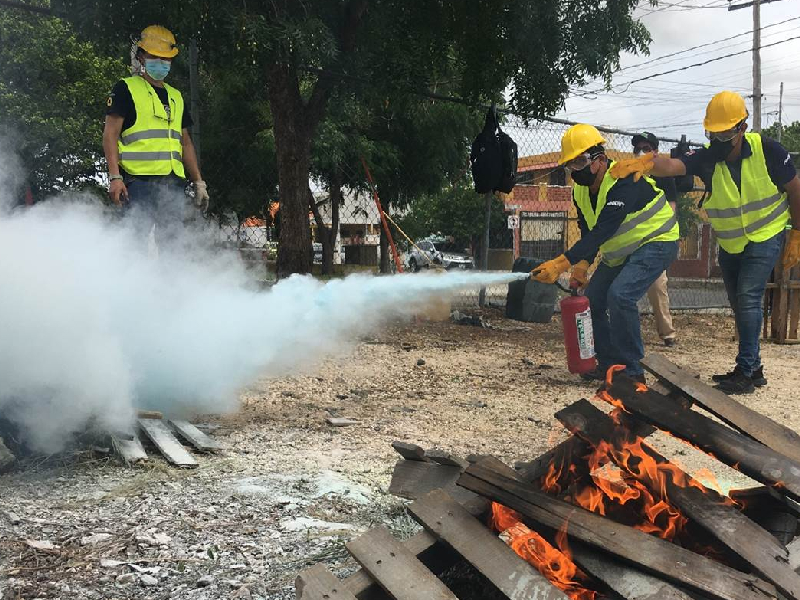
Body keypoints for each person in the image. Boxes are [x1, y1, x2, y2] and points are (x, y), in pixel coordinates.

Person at [611, 91, 800, 394]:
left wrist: (797, 233)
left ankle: (746, 370)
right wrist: (645, 164)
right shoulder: (709, 156)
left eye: (725, 132)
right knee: (740, 303)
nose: (719, 138)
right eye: (714, 132)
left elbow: (795, 189)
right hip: (731, 242)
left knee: (749, 297)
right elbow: (673, 167)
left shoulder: (769, 151)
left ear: (742, 128)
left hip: (766, 235)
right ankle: (754, 368)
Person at [531, 124, 679, 383]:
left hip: (657, 241)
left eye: (579, 162)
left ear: (598, 160)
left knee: (620, 295)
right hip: (622, 251)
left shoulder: (624, 179)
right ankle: (611, 365)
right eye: (570, 165)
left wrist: (561, 263)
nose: (574, 171)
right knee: (593, 300)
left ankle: (633, 372)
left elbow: (604, 228)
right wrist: (581, 267)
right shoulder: (580, 190)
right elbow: (589, 229)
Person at [102, 25, 208, 245]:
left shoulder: (176, 96)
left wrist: (198, 182)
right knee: (133, 246)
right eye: (154, 56)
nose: (161, 62)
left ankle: (169, 281)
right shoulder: (126, 89)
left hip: (174, 184)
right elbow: (110, 135)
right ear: (141, 57)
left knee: (173, 246)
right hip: (138, 184)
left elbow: (185, 142)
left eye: (166, 58)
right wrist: (115, 177)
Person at [632, 132, 678, 347]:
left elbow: (671, 208)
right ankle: (622, 331)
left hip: (655, 242)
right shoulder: (628, 175)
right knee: (619, 290)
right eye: (637, 148)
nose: (641, 152)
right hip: (630, 240)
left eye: (645, 148)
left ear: (655, 151)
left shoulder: (664, 176)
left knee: (657, 286)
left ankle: (667, 333)